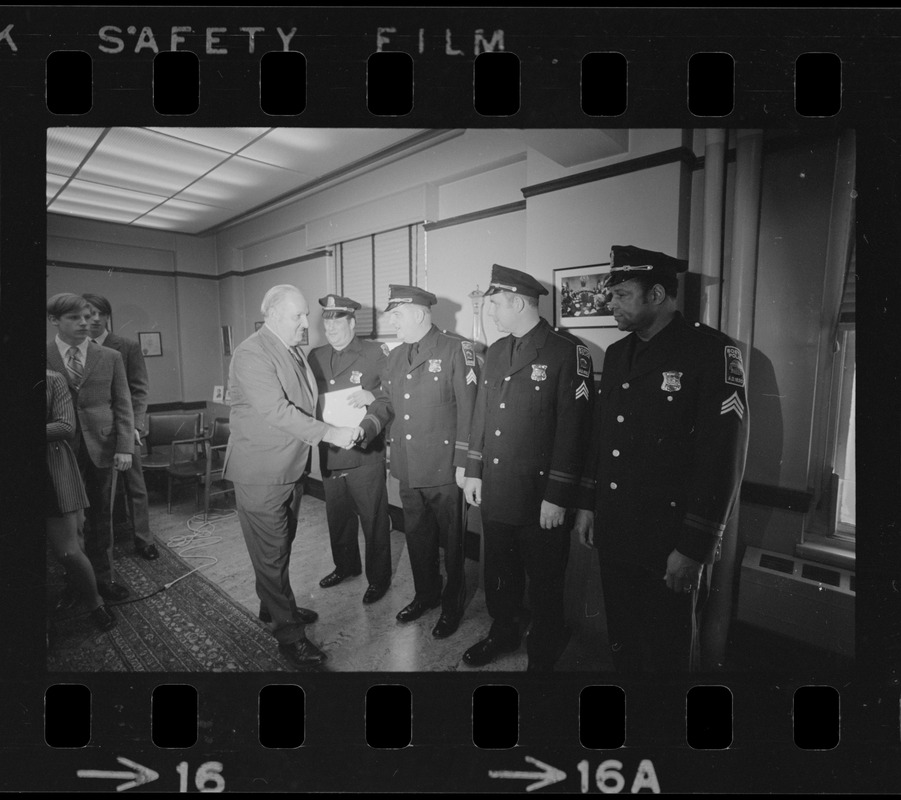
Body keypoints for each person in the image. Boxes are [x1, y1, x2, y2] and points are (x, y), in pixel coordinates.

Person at [574, 245, 749, 672]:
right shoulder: (618, 354)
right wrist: (587, 503)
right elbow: (603, 436)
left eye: (621, 295)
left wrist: (694, 546)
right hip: (616, 529)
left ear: (656, 295)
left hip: (670, 540)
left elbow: (723, 455)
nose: (610, 303)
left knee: (668, 651)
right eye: (610, 294)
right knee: (625, 642)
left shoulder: (711, 352)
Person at [462, 265, 595, 671]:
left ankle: (547, 640)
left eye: (495, 305)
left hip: (541, 499)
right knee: (499, 575)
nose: (492, 313)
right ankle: (503, 631)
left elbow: (576, 431)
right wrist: (473, 470)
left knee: (545, 579)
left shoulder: (566, 351)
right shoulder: (498, 350)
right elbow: (483, 414)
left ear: (517, 302)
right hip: (498, 489)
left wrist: (558, 496)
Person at [223, 284, 360, 668]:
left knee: (280, 546)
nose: (306, 322)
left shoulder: (292, 351)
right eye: (298, 315)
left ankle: (274, 606)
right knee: (270, 553)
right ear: (273, 315)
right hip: (261, 472)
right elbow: (277, 411)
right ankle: (290, 638)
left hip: (291, 467)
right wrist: (331, 433)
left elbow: (306, 404)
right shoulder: (252, 352)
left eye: (305, 315)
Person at [364, 285, 480, 639]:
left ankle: (452, 603)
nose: (391, 321)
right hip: (408, 465)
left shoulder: (456, 349)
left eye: (396, 315)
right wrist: (368, 422)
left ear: (417, 313)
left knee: (453, 542)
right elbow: (387, 401)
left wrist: (465, 463)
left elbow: (470, 411)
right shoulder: (396, 356)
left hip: (446, 468)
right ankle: (426, 594)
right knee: (417, 537)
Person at [46, 293, 135, 602]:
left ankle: (103, 578)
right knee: (69, 522)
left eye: (87, 317)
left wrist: (125, 447)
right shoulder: (42, 355)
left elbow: (124, 405)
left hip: (103, 446)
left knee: (101, 518)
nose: (86, 323)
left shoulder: (109, 356)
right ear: (54, 321)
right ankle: (77, 580)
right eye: (75, 318)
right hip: (58, 452)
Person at [307, 294, 394, 604]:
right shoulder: (314, 356)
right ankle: (346, 566)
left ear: (353, 323)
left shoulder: (375, 353)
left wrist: (372, 395)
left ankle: (379, 579)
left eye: (337, 321)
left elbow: (391, 396)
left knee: (373, 519)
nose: (331, 328)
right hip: (330, 451)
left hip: (364, 451)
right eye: (326, 322)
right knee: (338, 516)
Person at [82, 293, 158, 561]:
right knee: (100, 491)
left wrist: (135, 426)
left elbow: (139, 389)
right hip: (95, 434)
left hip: (127, 429)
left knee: (135, 486)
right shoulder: (80, 348)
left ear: (107, 316)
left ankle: (143, 539)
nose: (92, 319)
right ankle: (105, 542)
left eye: (98, 313)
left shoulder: (125, 346)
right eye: (86, 314)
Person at [46, 369, 117, 632]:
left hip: (50, 470)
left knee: (68, 549)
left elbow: (66, 425)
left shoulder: (52, 380)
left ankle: (95, 602)